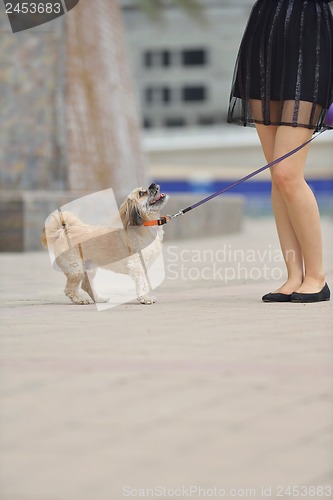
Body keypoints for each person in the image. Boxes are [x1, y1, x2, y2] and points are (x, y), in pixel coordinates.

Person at [228, 0, 333, 303]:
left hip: (310, 40)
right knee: (277, 174)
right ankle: (293, 275)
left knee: (288, 173)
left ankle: (317, 277)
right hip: (265, 35)